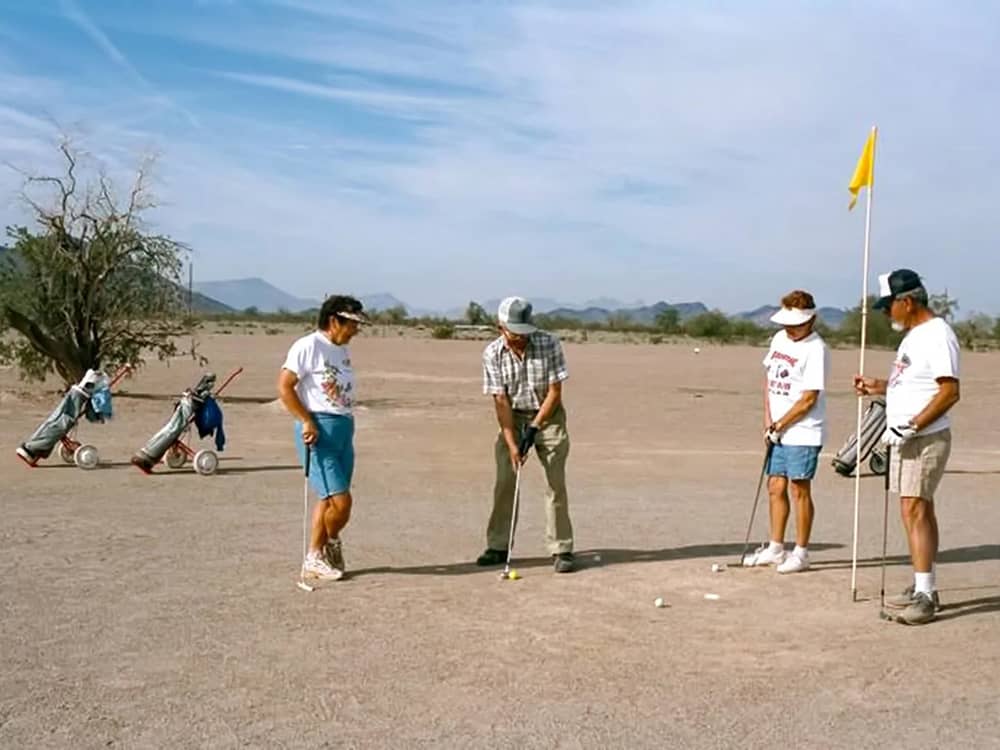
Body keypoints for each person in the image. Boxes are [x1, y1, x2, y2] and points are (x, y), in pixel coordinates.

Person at [854, 269, 960, 625]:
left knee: (915, 509)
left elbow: (949, 391)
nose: (887, 314)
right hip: (905, 436)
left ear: (907, 301)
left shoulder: (937, 335)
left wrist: (912, 426)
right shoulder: (913, 337)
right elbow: (914, 384)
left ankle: (926, 596)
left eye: (889, 307)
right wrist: (880, 386)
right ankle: (922, 584)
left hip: (923, 438)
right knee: (915, 510)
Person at [476, 296, 576, 573]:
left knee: (555, 482)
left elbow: (555, 392)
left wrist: (534, 428)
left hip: (548, 414)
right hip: (513, 416)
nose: (520, 339)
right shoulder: (492, 354)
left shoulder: (549, 343)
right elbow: (501, 402)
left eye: (524, 333)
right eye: (514, 333)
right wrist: (512, 443)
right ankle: (498, 545)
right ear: (500, 327)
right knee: (505, 481)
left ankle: (561, 548)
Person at [277, 295, 369, 582]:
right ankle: (325, 547)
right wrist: (305, 420)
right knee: (342, 503)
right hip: (319, 432)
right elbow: (284, 387)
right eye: (352, 324)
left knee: (328, 500)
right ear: (334, 321)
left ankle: (315, 558)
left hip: (344, 429)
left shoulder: (340, 351)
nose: (356, 330)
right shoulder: (308, 346)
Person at [744, 290, 830, 574]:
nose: (790, 329)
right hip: (777, 429)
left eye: (797, 324)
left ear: (812, 319)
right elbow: (769, 382)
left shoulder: (816, 349)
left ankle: (802, 552)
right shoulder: (779, 339)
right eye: (787, 324)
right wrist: (769, 421)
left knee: (798, 489)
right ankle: (775, 548)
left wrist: (781, 424)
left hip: (803, 430)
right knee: (775, 486)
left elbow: (808, 399)